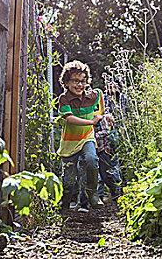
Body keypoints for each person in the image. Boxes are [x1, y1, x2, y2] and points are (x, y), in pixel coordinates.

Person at [57, 60, 105, 215]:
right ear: (66, 82)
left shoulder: (91, 96)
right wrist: (91, 121)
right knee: (69, 179)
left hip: (86, 137)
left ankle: (93, 193)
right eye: (75, 81)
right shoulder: (64, 99)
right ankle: (65, 203)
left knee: (92, 160)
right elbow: (70, 118)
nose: (79, 85)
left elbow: (99, 94)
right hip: (70, 142)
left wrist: (100, 114)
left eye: (83, 81)